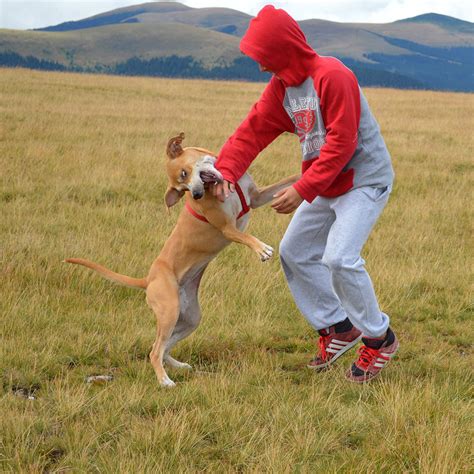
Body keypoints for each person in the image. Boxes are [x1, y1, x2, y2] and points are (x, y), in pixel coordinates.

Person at [213, 5, 398, 383]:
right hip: (326, 182)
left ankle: (379, 338)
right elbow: (253, 130)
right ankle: (338, 328)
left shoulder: (333, 76)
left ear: (284, 49)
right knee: (294, 252)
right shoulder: (282, 86)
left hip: (364, 180)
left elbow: (342, 145)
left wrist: (301, 189)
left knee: (340, 259)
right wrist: (226, 172)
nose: (262, 67)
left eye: (265, 58)